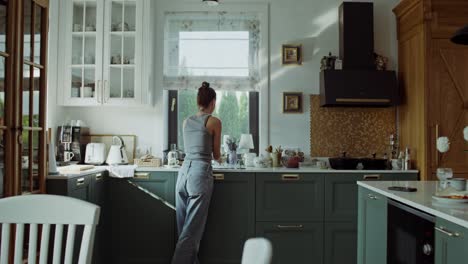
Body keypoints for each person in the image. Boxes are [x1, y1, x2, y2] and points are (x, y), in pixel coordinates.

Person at [171, 81, 222, 264]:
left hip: (183, 173)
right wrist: (223, 159)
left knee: (184, 229)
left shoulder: (186, 121)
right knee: (191, 232)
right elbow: (216, 155)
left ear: (197, 101)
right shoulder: (214, 121)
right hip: (199, 175)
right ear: (213, 102)